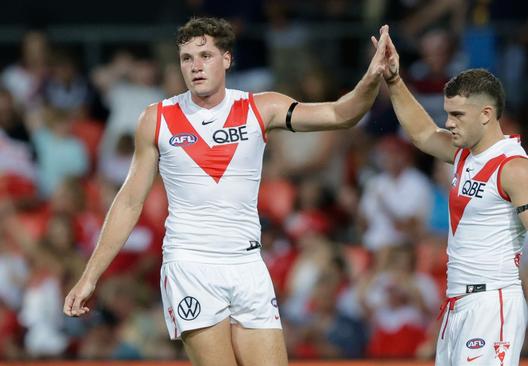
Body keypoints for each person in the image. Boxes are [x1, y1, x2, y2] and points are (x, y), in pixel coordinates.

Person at [63, 18, 391, 366]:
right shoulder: (156, 119)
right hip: (191, 264)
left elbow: (341, 113)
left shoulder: (260, 108)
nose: (195, 66)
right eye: (187, 58)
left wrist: (371, 77)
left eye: (205, 55)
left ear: (227, 59)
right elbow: (129, 201)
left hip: (248, 264)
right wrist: (89, 277)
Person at [371, 30, 528, 365]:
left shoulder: (514, 168)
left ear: (486, 114)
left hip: (492, 303)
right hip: (457, 304)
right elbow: (423, 133)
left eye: (457, 115)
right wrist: (395, 80)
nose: (448, 122)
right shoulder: (465, 155)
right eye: (447, 113)